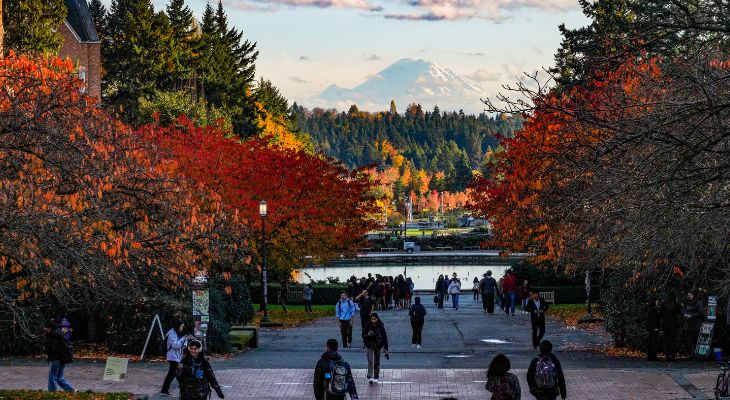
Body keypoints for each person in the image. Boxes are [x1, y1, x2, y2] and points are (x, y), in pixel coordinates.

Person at [45, 321, 75, 393]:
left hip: (55, 358)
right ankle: (71, 390)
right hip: (63, 358)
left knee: (52, 377)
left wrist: (46, 350)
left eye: (46, 329)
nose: (46, 330)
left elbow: (52, 348)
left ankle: (52, 393)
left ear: (50, 328)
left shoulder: (52, 336)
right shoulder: (60, 334)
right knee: (59, 378)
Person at [161, 319, 189, 396]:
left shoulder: (178, 333)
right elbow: (175, 345)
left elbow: (182, 346)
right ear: (178, 326)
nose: (182, 328)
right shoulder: (172, 334)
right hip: (172, 357)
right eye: (182, 326)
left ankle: (164, 391)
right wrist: (183, 338)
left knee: (172, 374)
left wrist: (185, 340)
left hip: (177, 357)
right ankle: (185, 389)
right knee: (177, 373)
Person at [362, 313, 389, 384]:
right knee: (370, 360)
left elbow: (385, 337)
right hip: (369, 344)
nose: (373, 320)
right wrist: (368, 334)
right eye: (372, 319)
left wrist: (386, 348)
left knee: (377, 361)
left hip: (378, 345)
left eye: (374, 319)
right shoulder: (367, 325)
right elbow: (363, 335)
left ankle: (376, 377)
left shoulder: (380, 326)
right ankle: (370, 376)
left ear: (377, 319)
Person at [661, 294, 681, 361]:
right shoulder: (675, 305)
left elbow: (661, 313)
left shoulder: (664, 305)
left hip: (666, 325)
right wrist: (677, 303)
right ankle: (673, 356)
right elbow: (679, 311)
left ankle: (667, 356)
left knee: (667, 340)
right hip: (674, 325)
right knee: (673, 341)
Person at [646, 297, 661, 361]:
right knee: (653, 342)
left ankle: (651, 356)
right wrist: (655, 327)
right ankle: (653, 356)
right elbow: (653, 320)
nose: (657, 302)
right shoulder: (653, 309)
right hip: (653, 328)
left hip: (651, 328)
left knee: (651, 341)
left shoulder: (651, 309)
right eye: (656, 301)